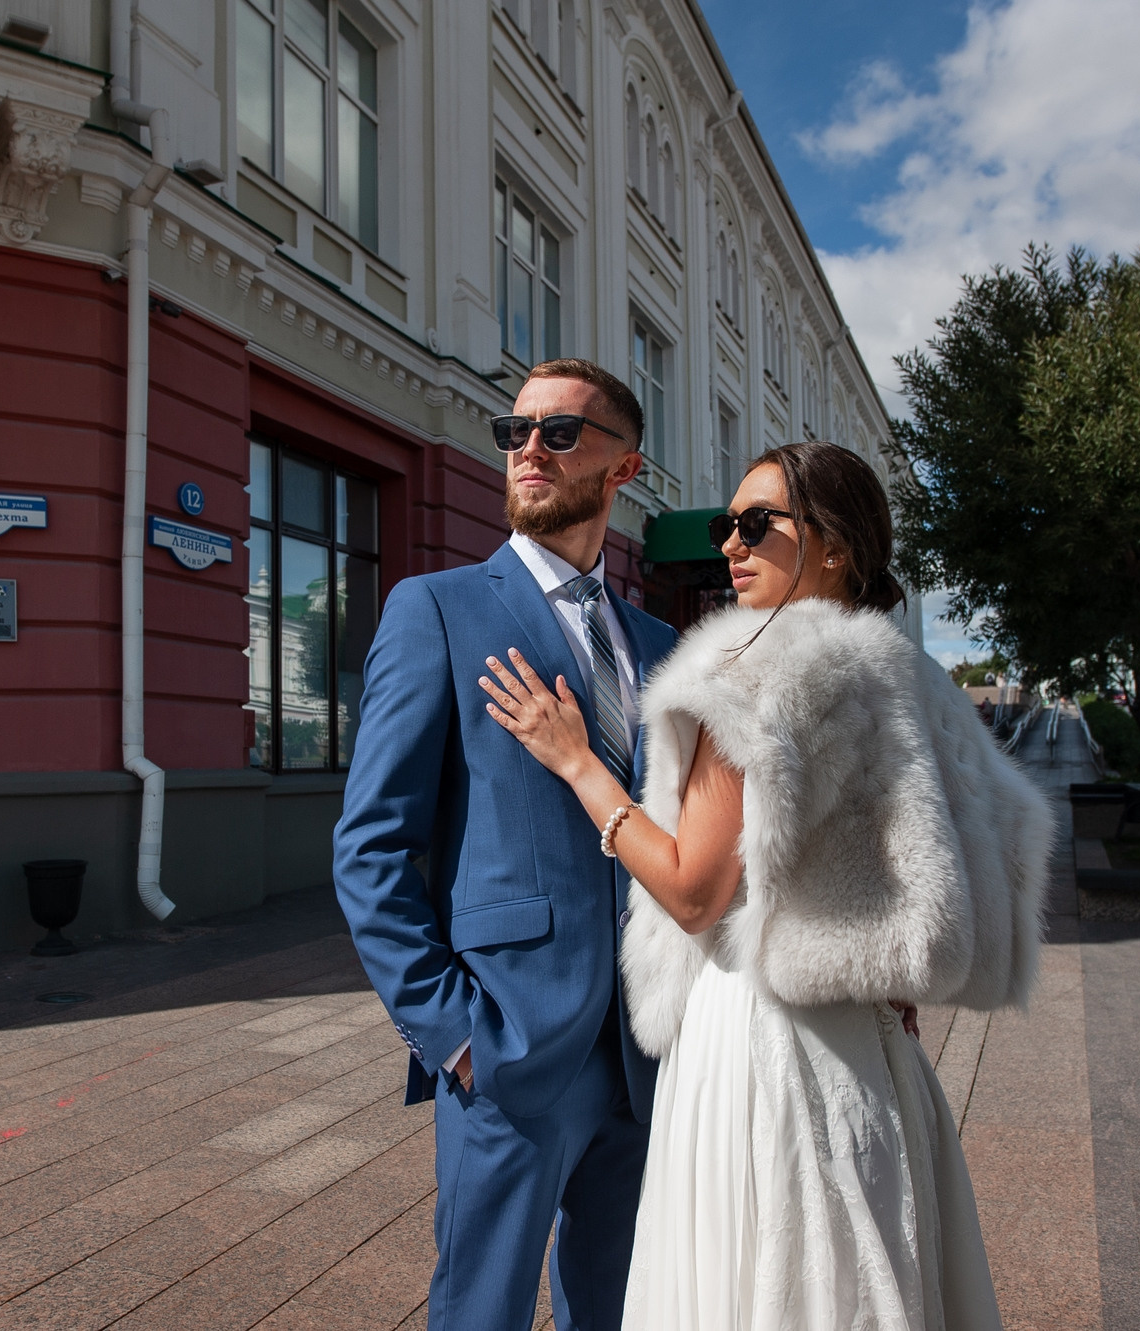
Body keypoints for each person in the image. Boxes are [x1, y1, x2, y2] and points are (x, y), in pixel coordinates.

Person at [480, 441, 1053, 1330]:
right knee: (857, 1273)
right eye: (726, 524)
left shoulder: (751, 672)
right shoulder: (912, 679)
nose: (730, 544)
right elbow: (992, 845)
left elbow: (693, 894)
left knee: (756, 1275)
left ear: (836, 546)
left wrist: (580, 764)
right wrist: (890, 956)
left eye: (757, 523)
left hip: (757, 1036)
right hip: (872, 1047)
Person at [333, 359, 679, 1330]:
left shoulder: (659, 645)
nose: (528, 447)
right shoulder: (437, 608)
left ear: (623, 467)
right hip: (511, 1045)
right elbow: (370, 846)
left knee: (618, 1307)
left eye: (559, 432)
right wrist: (454, 1034)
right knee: (480, 1310)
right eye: (513, 429)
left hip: (645, 1051)